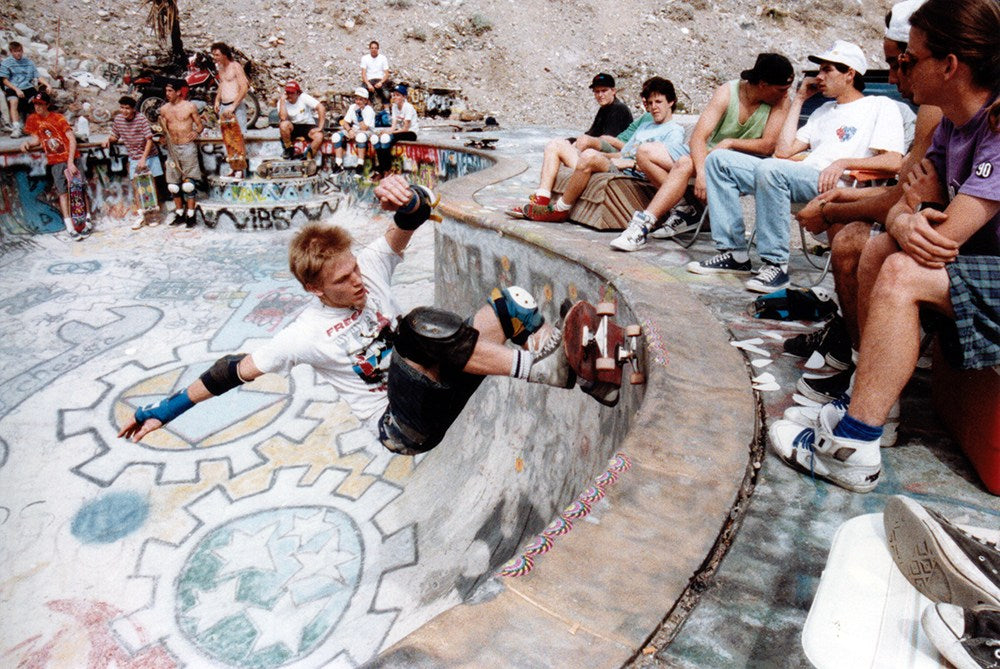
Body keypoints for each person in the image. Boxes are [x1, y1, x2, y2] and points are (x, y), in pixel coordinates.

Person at [118, 175, 593, 455]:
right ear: (314, 289)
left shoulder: (369, 265)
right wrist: (164, 411)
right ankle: (540, 369)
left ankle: (584, 373)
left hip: (440, 384)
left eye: (355, 270)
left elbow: (411, 218)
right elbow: (228, 372)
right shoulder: (303, 335)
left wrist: (405, 196)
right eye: (342, 280)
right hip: (404, 425)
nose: (358, 282)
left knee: (513, 304)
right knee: (416, 329)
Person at [769, 0, 1000, 493]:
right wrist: (902, 216)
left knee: (901, 271)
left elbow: (938, 240)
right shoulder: (954, 125)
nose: (897, 73)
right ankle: (875, 409)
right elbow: (907, 206)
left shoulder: (997, 128)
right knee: (879, 252)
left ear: (950, 65)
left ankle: (852, 448)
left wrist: (908, 216)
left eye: (908, 60)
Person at [782, 0, 944, 406]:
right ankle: (853, 352)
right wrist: (842, 198)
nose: (891, 77)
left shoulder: (934, 109)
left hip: (954, 241)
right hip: (931, 221)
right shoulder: (935, 109)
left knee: (856, 242)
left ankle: (867, 386)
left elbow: (908, 198)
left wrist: (832, 207)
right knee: (852, 229)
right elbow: (906, 191)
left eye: (899, 63)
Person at [687, 40, 906, 293]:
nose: (819, 76)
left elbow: (893, 162)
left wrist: (843, 162)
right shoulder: (823, 110)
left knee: (771, 169)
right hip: (799, 176)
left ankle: (776, 266)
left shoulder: (880, 106)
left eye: (827, 69)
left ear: (850, 74)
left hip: (838, 184)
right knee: (719, 160)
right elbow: (783, 151)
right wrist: (800, 99)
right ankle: (733, 253)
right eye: (820, 70)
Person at [609, 54, 794, 252]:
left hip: (740, 160)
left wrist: (730, 142)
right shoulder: (728, 92)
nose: (786, 94)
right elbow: (698, 137)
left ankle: (644, 224)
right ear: (763, 84)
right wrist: (703, 173)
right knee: (645, 152)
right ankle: (682, 208)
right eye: (782, 89)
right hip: (710, 153)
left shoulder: (781, 101)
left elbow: (767, 145)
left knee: (684, 164)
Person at [520, 77, 686, 223]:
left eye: (658, 102)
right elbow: (623, 153)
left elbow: (669, 167)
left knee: (589, 156)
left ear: (671, 102)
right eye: (650, 103)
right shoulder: (645, 126)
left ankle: (560, 210)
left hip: (632, 174)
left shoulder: (674, 130)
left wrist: (630, 164)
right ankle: (540, 200)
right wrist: (604, 156)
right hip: (616, 165)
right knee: (556, 144)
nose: (653, 107)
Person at [513, 73, 633, 212]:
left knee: (580, 142)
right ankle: (542, 198)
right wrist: (571, 141)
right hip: (598, 154)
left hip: (608, 158)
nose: (600, 95)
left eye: (604, 91)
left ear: (613, 91)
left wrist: (578, 145)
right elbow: (592, 132)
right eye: (597, 92)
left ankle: (555, 201)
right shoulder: (604, 109)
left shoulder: (619, 109)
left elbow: (607, 140)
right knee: (555, 144)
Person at [19, 91, 91, 240]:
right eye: (36, 104)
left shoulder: (58, 118)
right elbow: (36, 139)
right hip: (55, 161)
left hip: (71, 158)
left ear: (47, 105)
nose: (37, 107)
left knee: (79, 189)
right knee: (63, 193)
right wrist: (27, 143)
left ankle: (87, 221)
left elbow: (72, 139)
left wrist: (71, 162)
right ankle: (70, 226)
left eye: (41, 104)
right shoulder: (33, 119)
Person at [104, 96, 165, 229]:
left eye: (127, 108)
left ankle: (154, 215)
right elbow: (115, 135)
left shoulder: (141, 118)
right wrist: (108, 140)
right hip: (133, 157)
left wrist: (143, 158)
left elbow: (149, 140)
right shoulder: (119, 119)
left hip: (149, 155)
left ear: (133, 109)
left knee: (151, 187)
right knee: (137, 186)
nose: (124, 111)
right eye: (122, 108)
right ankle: (141, 216)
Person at [159, 79, 204, 227]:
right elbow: (163, 129)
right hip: (172, 148)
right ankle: (179, 214)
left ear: (178, 92)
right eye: (166, 91)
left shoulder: (189, 106)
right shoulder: (164, 109)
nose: (167, 94)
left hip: (187, 147)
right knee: (173, 185)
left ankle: (190, 215)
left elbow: (200, 125)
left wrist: (196, 132)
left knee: (188, 184)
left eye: (170, 91)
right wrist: (163, 138)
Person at [1, 41, 47, 139]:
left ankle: (39, 124)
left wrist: (47, 85)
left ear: (22, 51)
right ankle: (16, 128)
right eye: (15, 51)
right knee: (14, 101)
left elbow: (37, 76)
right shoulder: (6, 63)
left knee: (39, 100)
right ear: (11, 52)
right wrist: (17, 89)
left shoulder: (28, 62)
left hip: (27, 86)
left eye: (19, 51)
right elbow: (4, 80)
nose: (18, 53)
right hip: (13, 87)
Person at [374, 84, 419, 174]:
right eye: (394, 95)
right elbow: (393, 126)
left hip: (411, 133)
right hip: (400, 131)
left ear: (404, 97)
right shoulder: (394, 107)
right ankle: (382, 168)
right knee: (379, 138)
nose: (395, 97)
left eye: (398, 95)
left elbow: (405, 129)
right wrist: (387, 131)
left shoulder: (408, 107)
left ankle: (386, 169)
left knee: (387, 138)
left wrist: (390, 133)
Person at [277, 80, 325, 159]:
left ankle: (308, 156)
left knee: (319, 136)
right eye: (288, 93)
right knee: (283, 125)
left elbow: (321, 108)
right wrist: (282, 101)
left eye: (292, 93)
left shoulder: (304, 97)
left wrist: (320, 127)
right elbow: (283, 117)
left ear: (297, 93)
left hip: (307, 125)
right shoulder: (282, 101)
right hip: (292, 126)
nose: (290, 95)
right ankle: (288, 148)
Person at [211, 42, 250, 134]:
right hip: (224, 106)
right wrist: (217, 100)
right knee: (226, 136)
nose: (215, 57)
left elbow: (244, 87)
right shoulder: (220, 67)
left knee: (239, 136)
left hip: (235, 106)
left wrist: (233, 106)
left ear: (225, 55)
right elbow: (222, 84)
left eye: (217, 55)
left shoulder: (235, 66)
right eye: (213, 55)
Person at [332, 87, 376, 169]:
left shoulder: (369, 110)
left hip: (367, 131)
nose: (358, 102)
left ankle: (360, 164)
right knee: (336, 136)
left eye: (360, 99)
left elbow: (364, 128)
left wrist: (358, 114)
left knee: (361, 137)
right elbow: (345, 122)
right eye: (356, 99)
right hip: (355, 129)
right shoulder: (352, 107)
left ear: (366, 101)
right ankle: (338, 164)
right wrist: (349, 130)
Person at [361, 40, 392, 106]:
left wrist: (381, 82)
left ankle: (386, 109)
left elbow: (386, 74)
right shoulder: (365, 58)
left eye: (375, 48)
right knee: (362, 94)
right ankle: (366, 108)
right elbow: (363, 74)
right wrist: (368, 84)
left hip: (380, 80)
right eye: (372, 48)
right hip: (369, 80)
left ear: (378, 49)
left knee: (387, 94)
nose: (374, 50)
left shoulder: (383, 58)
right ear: (369, 49)